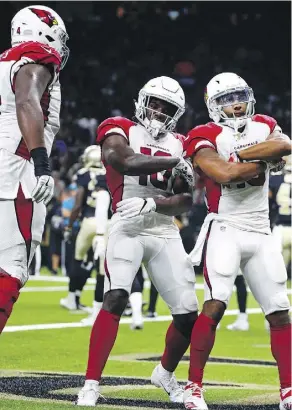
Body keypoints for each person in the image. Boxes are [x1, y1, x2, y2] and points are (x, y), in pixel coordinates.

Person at [76, 76, 198, 406]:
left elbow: (187, 200)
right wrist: (175, 162)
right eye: (155, 103)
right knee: (115, 297)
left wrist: (154, 202)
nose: (158, 111)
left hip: (163, 230)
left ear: (176, 113)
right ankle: (90, 383)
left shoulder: (181, 142)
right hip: (127, 227)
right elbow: (121, 160)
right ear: (142, 101)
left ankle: (165, 373)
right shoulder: (118, 127)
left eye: (167, 107)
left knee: (188, 314)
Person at [183, 72, 291, 410]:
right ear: (213, 106)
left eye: (240, 96)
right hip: (225, 228)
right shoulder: (202, 133)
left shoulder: (264, 123)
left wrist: (240, 155)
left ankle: (287, 390)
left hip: (261, 230)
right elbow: (223, 174)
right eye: (227, 99)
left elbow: (285, 145)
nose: (237, 104)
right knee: (214, 306)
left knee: (280, 311)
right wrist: (256, 162)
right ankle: (193, 388)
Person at [0, 5, 69, 334]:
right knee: (11, 271)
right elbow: (27, 101)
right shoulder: (37, 58)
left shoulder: (4, 62)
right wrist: (42, 165)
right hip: (15, 174)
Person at [61, 145, 110, 311]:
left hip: (88, 222)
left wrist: (69, 225)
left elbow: (77, 205)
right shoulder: (109, 174)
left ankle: (72, 297)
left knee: (77, 259)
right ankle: (98, 306)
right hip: (106, 223)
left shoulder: (83, 174)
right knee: (101, 267)